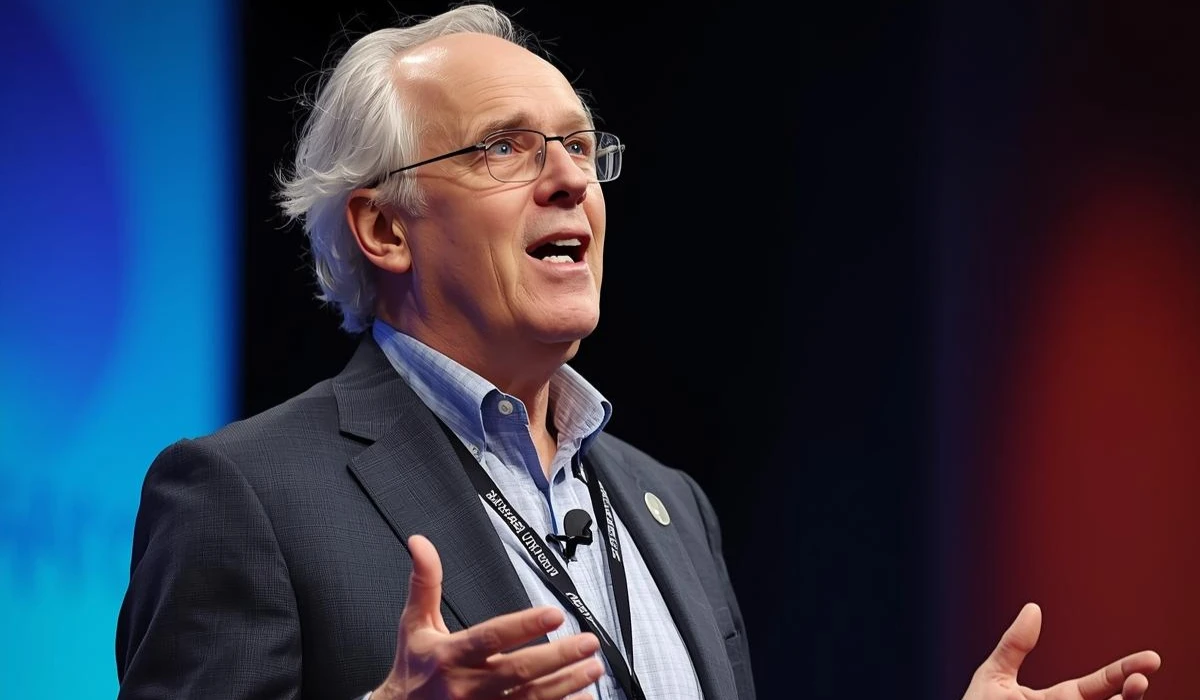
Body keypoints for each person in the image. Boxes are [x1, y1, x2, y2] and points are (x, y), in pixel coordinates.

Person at [115, 4, 1161, 700]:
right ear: (382, 228)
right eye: (503, 147)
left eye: (579, 146)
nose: (572, 180)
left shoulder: (669, 505)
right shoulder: (243, 496)